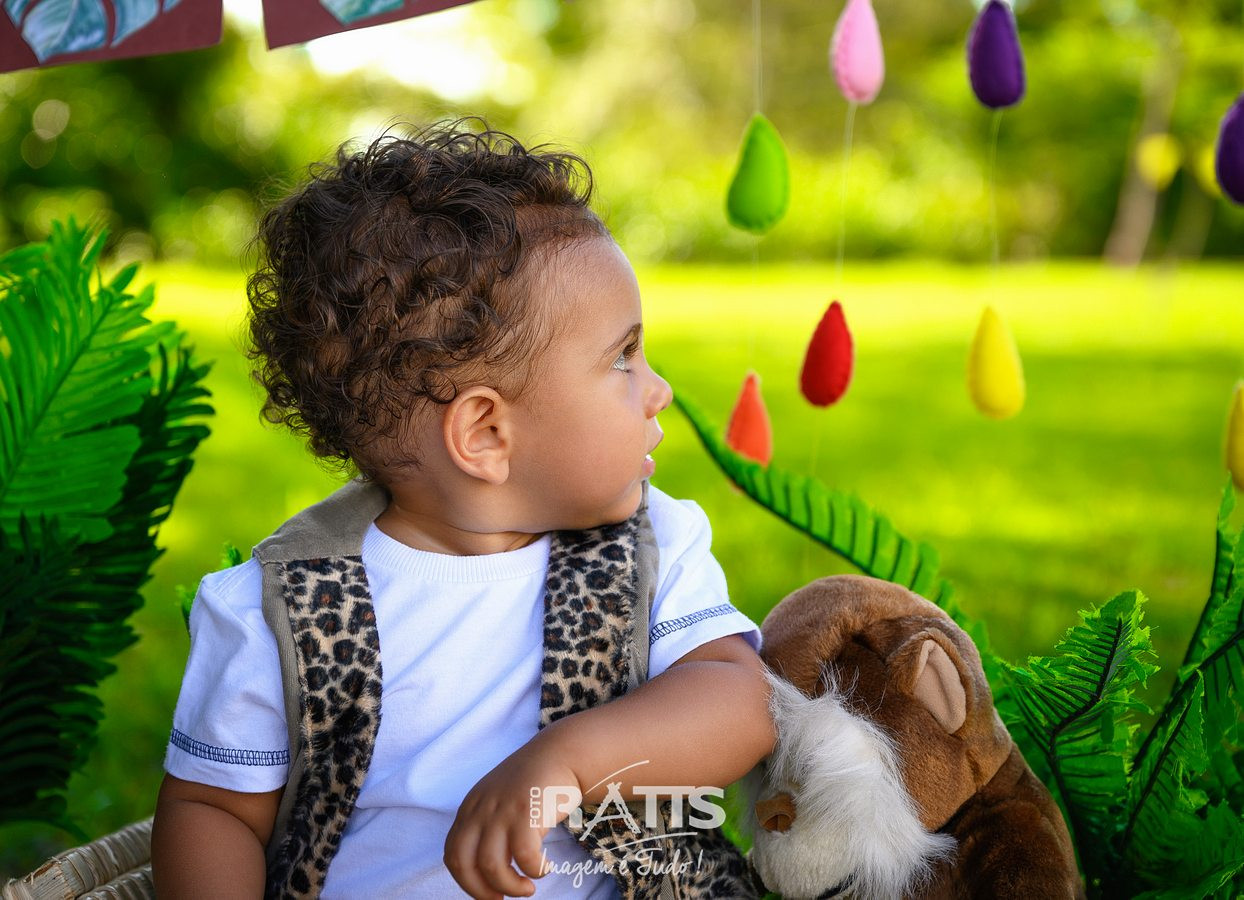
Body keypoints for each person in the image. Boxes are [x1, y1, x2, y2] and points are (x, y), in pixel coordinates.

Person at [150, 119, 776, 899]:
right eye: (623, 358)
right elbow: (215, 810)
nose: (660, 390)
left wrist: (569, 761)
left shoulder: (653, 547)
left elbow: (741, 699)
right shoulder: (277, 608)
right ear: (485, 434)